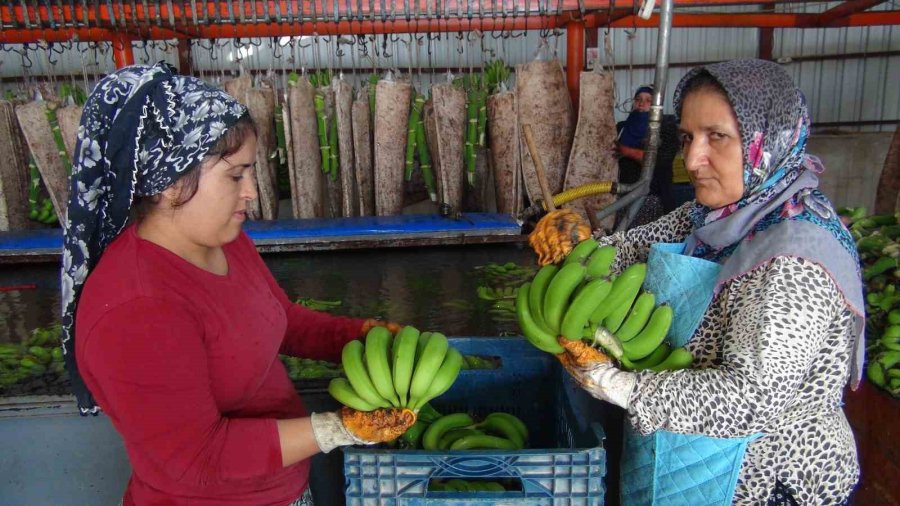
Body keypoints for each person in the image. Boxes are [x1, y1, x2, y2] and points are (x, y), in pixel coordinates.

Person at [60, 63, 415, 506]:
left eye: (252, 171)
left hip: (282, 489)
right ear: (169, 182)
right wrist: (338, 429)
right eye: (235, 175)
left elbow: (282, 320)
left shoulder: (222, 239)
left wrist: (360, 334)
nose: (253, 191)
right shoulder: (135, 307)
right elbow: (197, 458)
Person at [546, 59, 864, 504]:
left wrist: (620, 386)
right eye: (687, 138)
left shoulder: (796, 257)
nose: (693, 160)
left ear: (766, 140)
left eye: (717, 137)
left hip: (763, 481)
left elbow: (750, 397)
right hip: (682, 452)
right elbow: (632, 248)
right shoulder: (712, 214)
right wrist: (577, 245)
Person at [615, 85, 680, 224]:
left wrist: (625, 151)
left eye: (648, 100)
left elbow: (659, 160)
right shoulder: (622, 128)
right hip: (623, 196)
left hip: (654, 196)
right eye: (638, 99)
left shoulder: (666, 127)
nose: (641, 103)